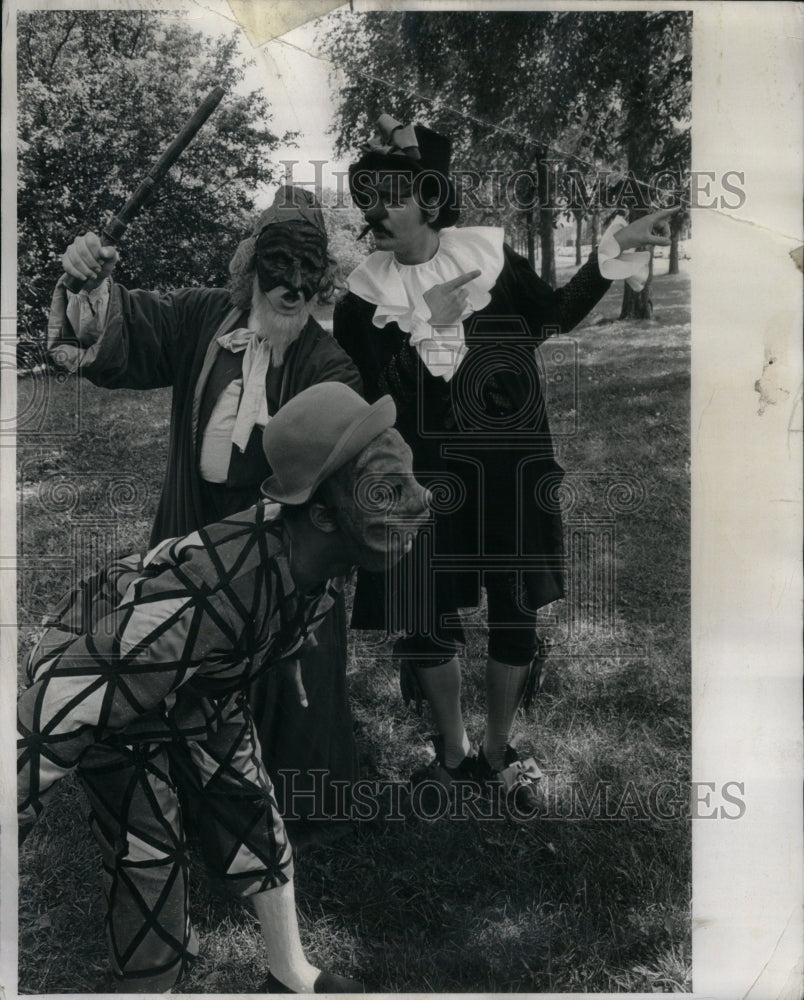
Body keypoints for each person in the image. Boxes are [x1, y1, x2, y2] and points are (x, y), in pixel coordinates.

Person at [18, 382, 431, 993]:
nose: (421, 502)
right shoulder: (212, 594)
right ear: (321, 514)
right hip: (108, 665)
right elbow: (64, 702)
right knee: (148, 845)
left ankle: (289, 972)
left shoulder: (313, 559)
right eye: (388, 492)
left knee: (249, 801)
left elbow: (273, 621)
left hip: (200, 681)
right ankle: (150, 984)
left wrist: (274, 657)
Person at [334, 114, 675, 809]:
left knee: (515, 602)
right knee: (422, 609)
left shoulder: (487, 255)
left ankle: (498, 747)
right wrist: (425, 323)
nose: (375, 212)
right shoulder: (359, 304)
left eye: (391, 195)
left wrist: (609, 255)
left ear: (429, 200)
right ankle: (455, 752)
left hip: (513, 461)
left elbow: (548, 318)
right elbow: (380, 398)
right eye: (366, 197)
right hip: (422, 475)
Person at [49, 186, 362, 831]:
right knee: (173, 669)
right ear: (250, 268)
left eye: (311, 268)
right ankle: (180, 798)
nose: (295, 283)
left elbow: (340, 483)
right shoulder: (202, 318)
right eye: (280, 263)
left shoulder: (331, 368)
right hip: (188, 535)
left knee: (279, 686)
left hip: (276, 556)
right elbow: (124, 329)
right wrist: (90, 282)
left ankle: (280, 808)